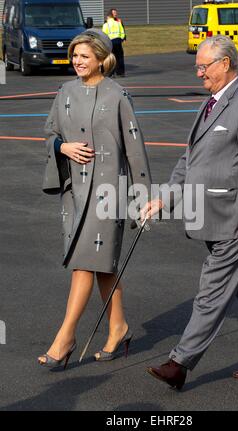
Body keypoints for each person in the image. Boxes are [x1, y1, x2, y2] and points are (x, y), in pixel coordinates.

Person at [141, 35, 238, 390]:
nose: (198, 73)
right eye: (197, 67)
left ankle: (180, 362)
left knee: (211, 291)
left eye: (203, 66)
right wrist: (164, 198)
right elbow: (189, 159)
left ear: (225, 63)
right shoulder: (211, 103)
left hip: (233, 221)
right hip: (211, 216)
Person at [38, 28, 151, 368]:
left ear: (102, 58)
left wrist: (143, 199)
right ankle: (119, 326)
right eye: (75, 55)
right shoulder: (65, 91)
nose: (77, 61)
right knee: (102, 266)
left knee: (84, 263)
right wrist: (63, 147)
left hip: (108, 195)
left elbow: (136, 149)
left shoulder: (118, 95)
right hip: (75, 192)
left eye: (84, 56)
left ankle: (65, 338)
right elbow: (49, 134)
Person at [103, 12, 126, 77]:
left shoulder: (106, 25)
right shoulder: (118, 23)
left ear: (109, 17)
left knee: (111, 58)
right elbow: (122, 32)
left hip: (110, 42)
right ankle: (121, 73)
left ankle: (111, 73)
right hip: (118, 41)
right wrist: (121, 39)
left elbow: (104, 35)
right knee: (120, 57)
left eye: (107, 17)